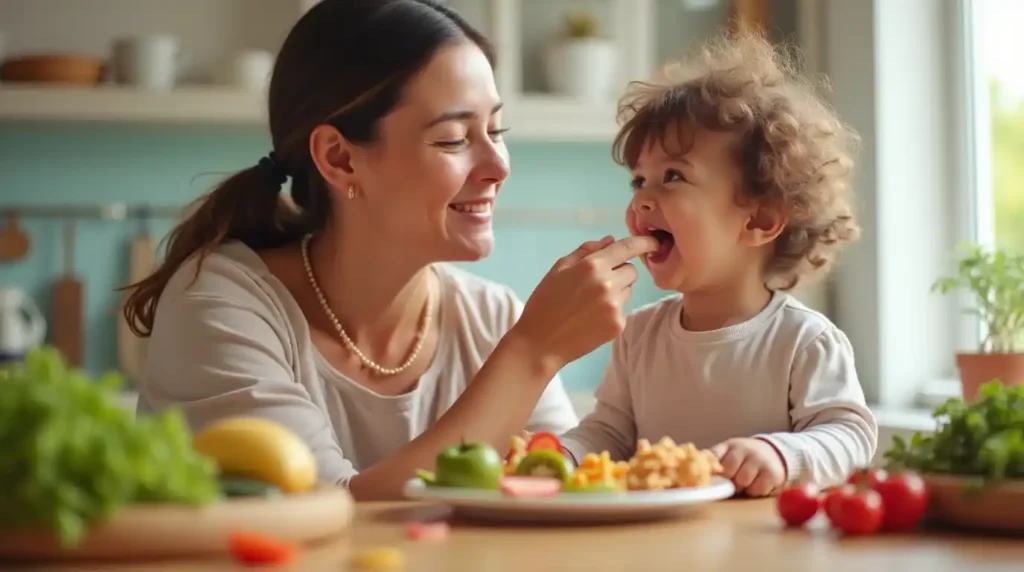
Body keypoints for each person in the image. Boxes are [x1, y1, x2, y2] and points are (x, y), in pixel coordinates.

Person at [121, 0, 658, 501]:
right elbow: (331, 517)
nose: (499, 165)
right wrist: (532, 352)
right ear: (340, 159)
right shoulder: (219, 306)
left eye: (497, 129)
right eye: (453, 139)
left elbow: (556, 493)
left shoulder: (492, 319)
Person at [559, 30, 878, 497]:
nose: (643, 199)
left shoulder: (803, 342)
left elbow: (850, 437)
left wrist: (780, 455)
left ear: (762, 219)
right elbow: (608, 435)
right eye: (638, 181)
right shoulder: (638, 337)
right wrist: (560, 453)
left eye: (672, 177)